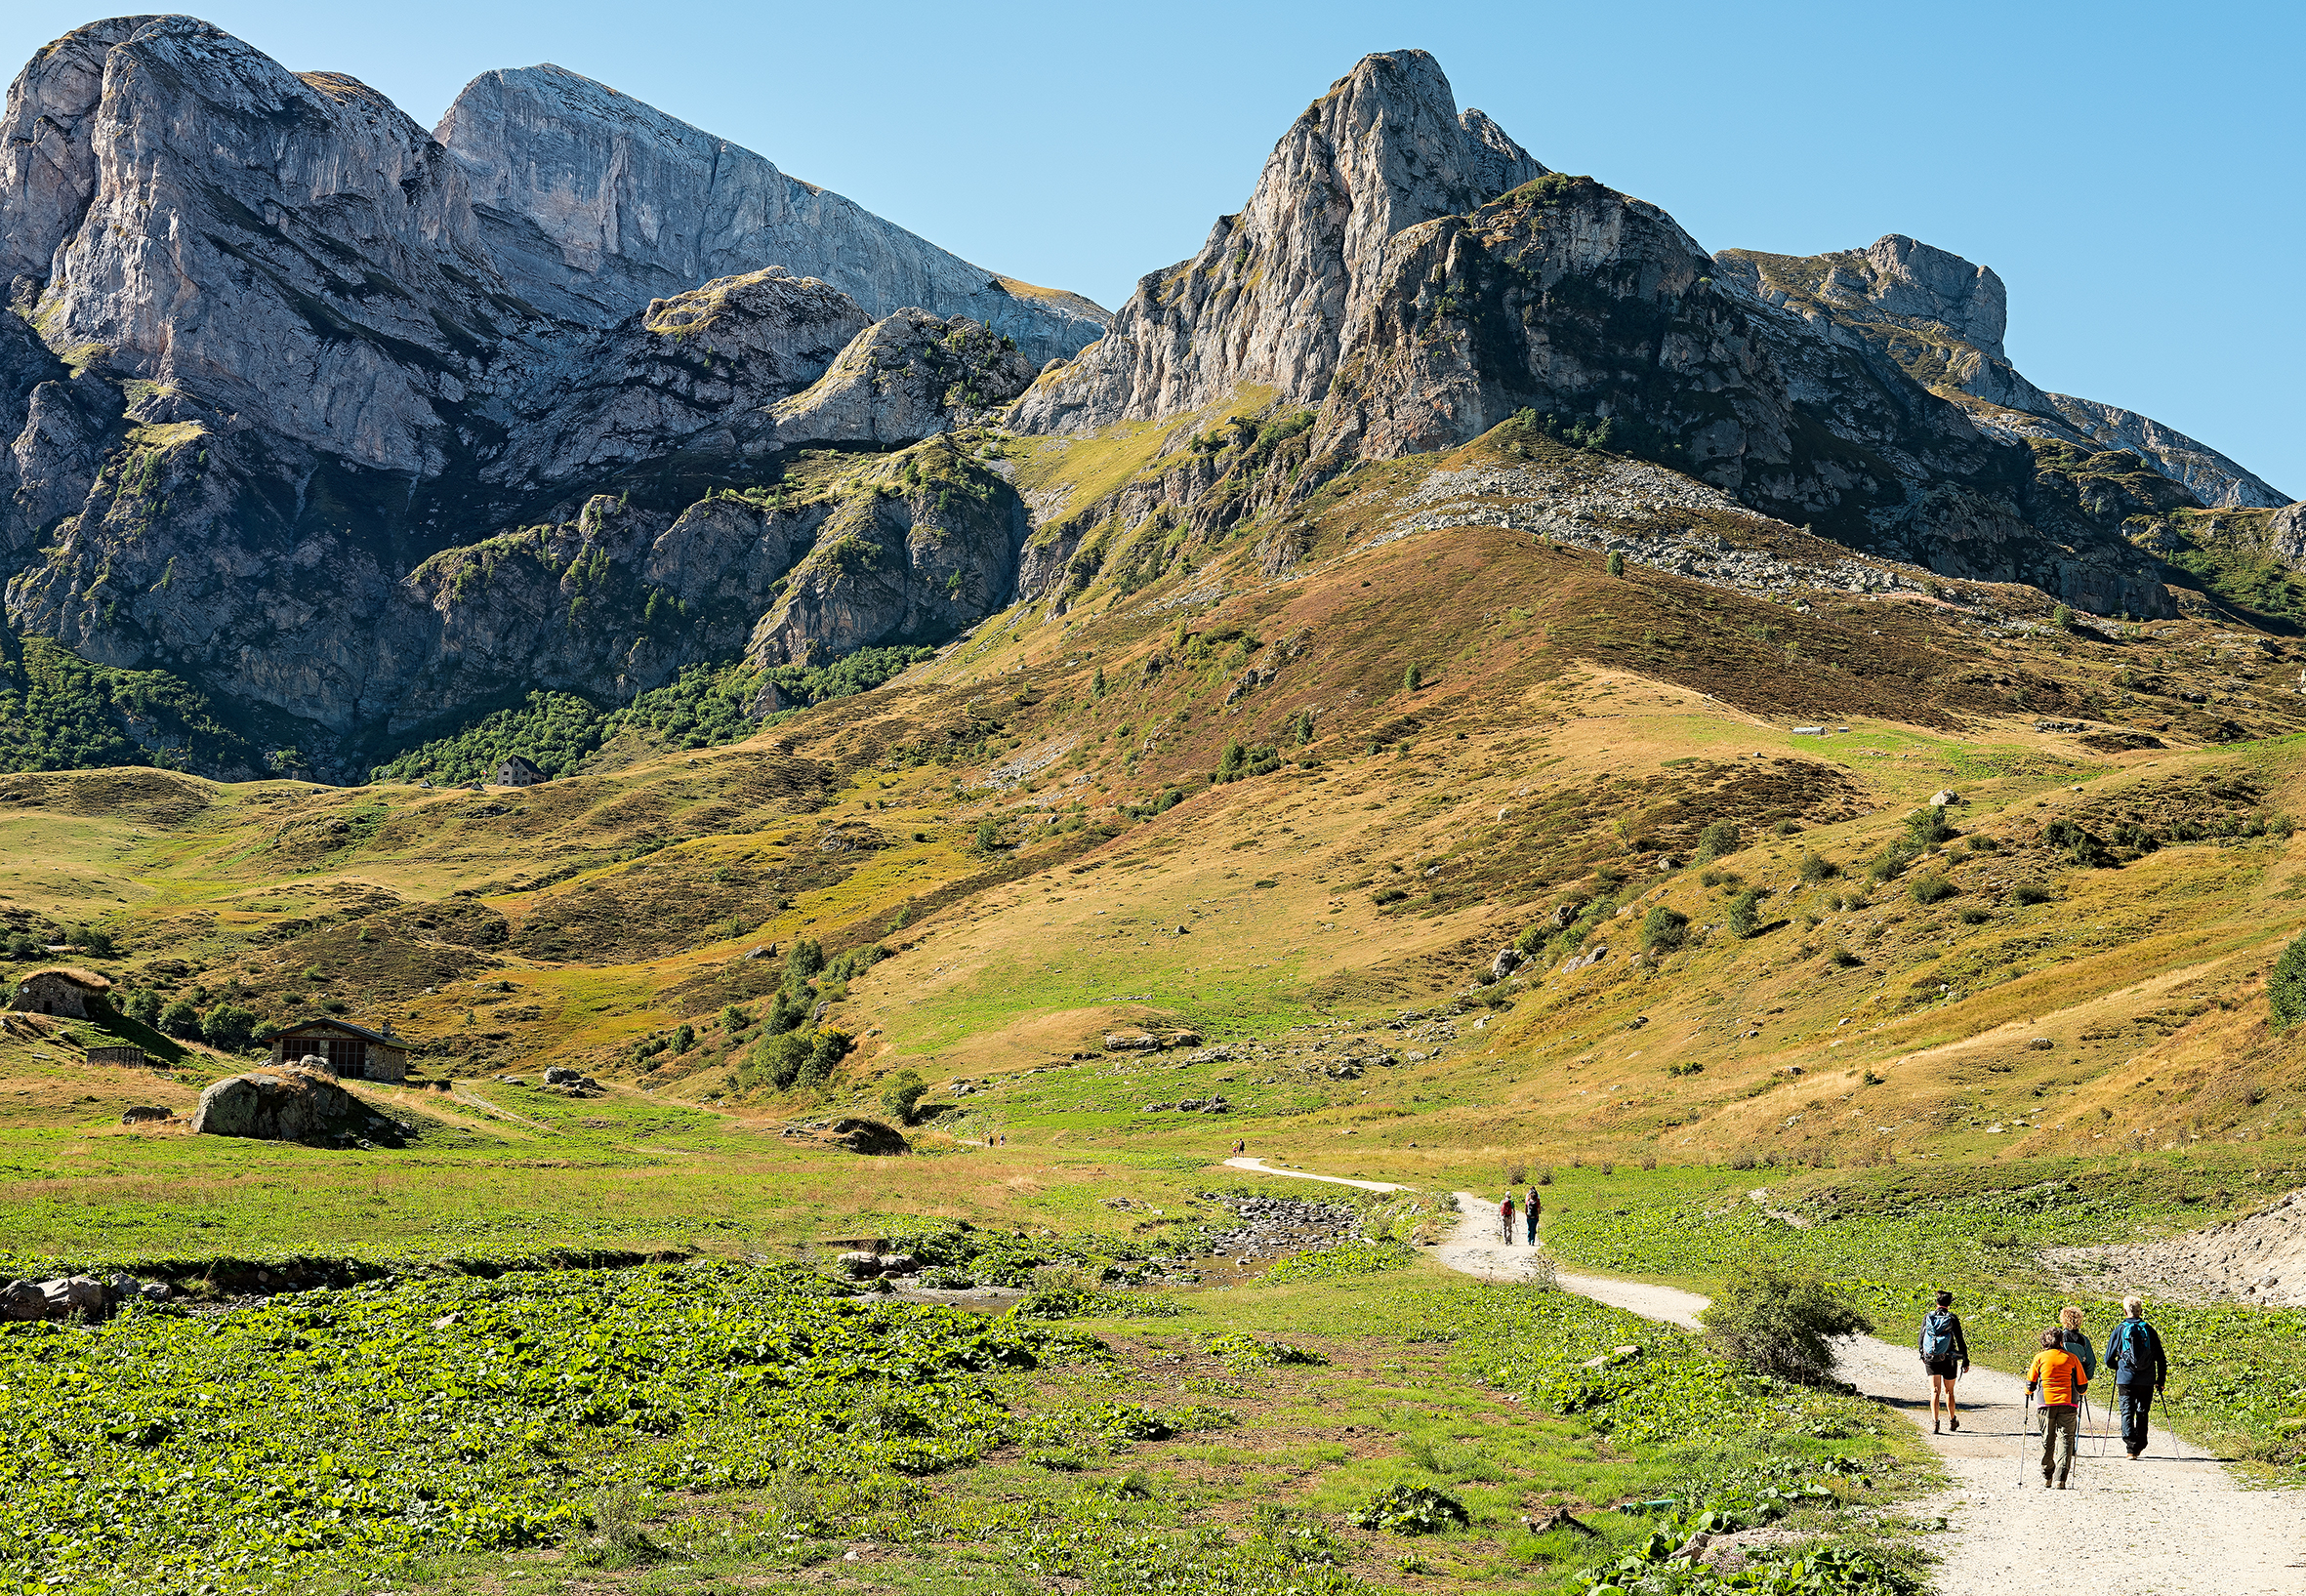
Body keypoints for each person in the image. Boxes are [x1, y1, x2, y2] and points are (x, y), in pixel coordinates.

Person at [2102, 1296, 2168, 1458]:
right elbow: (2161, 1357)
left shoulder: (2120, 1329)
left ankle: (2130, 1448)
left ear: (2125, 1311)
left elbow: (2108, 1358)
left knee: (2127, 1411)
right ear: (2141, 1312)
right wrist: (2160, 1381)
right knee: (2142, 1412)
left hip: (2126, 1378)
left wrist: (2118, 1367)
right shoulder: (2149, 1329)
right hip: (2146, 1379)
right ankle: (2139, 1446)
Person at [2025, 1327, 2089, 1489]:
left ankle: (2047, 1474)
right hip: (2068, 1404)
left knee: (2048, 1439)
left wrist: (2028, 1392)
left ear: (2044, 1343)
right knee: (2066, 1440)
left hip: (2046, 1405)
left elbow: (2030, 1385)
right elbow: (2082, 1386)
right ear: (2061, 1342)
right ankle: (2060, 1478)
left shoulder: (2039, 1358)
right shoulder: (2072, 1358)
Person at [1916, 1290, 1971, 1434]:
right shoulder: (1952, 1318)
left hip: (1931, 1358)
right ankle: (1952, 1420)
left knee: (1934, 1391)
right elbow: (1960, 1340)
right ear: (1949, 1304)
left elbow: (1921, 1337)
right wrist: (1965, 1359)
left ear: (1937, 1303)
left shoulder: (1928, 1317)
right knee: (1949, 1391)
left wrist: (1923, 1355)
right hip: (1949, 1359)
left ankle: (1935, 1423)